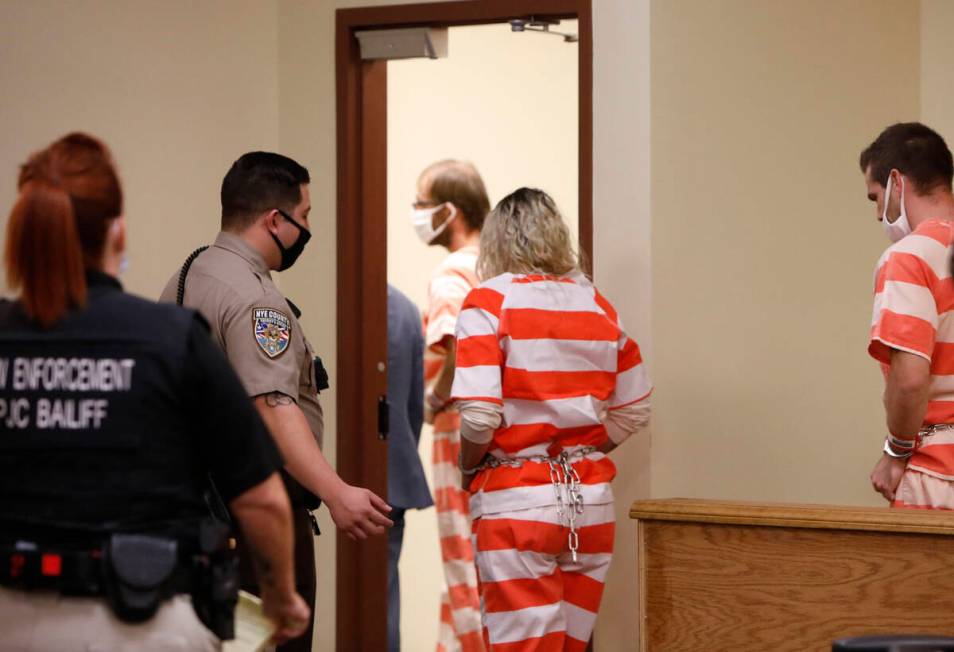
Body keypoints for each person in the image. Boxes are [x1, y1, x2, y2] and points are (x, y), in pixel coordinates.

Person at [0, 133, 310, 651]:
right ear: (116, 232)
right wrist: (281, 598)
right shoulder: (169, 338)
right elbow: (263, 501)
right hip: (139, 621)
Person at [159, 151, 392, 651]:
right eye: (304, 216)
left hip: (193, 509)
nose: (307, 229)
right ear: (275, 220)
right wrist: (335, 491)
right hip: (252, 517)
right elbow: (273, 408)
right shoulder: (255, 300)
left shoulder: (192, 272)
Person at [451, 188, 652, 651]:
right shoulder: (596, 305)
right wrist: (583, 449)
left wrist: (468, 466)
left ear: (496, 243)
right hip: (590, 503)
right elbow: (634, 408)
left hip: (515, 503)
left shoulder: (487, 303)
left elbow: (480, 417)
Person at [411, 159, 489, 652]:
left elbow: (457, 343)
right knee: (479, 558)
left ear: (449, 211)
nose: (416, 215)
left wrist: (433, 398)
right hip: (498, 431)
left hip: (457, 429)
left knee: (463, 560)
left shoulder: (452, 272)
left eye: (422, 205)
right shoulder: (500, 266)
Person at [861, 122, 954, 509]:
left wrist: (896, 451)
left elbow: (911, 379)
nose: (877, 213)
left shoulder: (909, 256)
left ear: (897, 182)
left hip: (939, 474)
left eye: (875, 197)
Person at [386, 284, 433, 652]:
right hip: (394, 477)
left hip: (338, 483)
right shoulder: (405, 308)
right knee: (384, 603)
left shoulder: (334, 300)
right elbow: (414, 409)